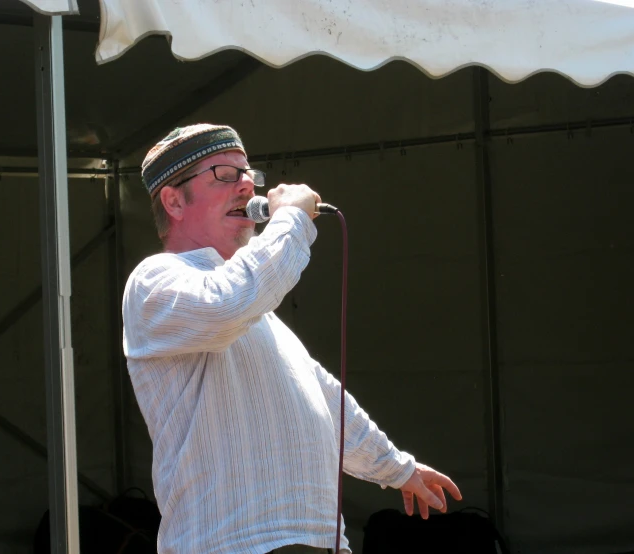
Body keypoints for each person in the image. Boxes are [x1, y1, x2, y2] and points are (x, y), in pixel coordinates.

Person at [122, 124, 462, 554]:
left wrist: (397, 468)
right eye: (224, 174)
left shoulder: (256, 310)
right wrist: (291, 219)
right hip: (231, 545)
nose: (246, 185)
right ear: (173, 200)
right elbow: (231, 301)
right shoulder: (156, 281)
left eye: (248, 174)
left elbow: (325, 401)